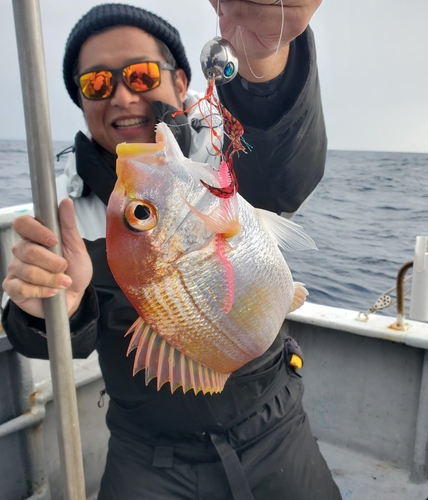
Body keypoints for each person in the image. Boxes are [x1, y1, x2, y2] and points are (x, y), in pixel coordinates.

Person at [2, 2, 341, 499]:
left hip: (275, 425)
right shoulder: (62, 209)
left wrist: (266, 61)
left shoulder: (221, 157)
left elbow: (285, 171)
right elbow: (55, 345)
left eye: (140, 75)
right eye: (96, 84)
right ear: (81, 99)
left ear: (182, 83)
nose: (120, 96)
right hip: (147, 455)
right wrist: (52, 308)